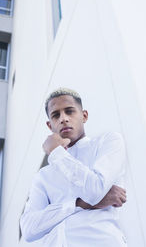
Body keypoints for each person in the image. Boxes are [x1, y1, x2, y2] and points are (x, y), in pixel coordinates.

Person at [20, 88, 127, 246]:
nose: (63, 119)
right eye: (56, 115)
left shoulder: (107, 142)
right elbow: (29, 229)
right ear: (50, 125)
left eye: (70, 111)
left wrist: (56, 152)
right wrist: (78, 204)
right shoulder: (43, 175)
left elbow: (95, 190)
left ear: (84, 116)